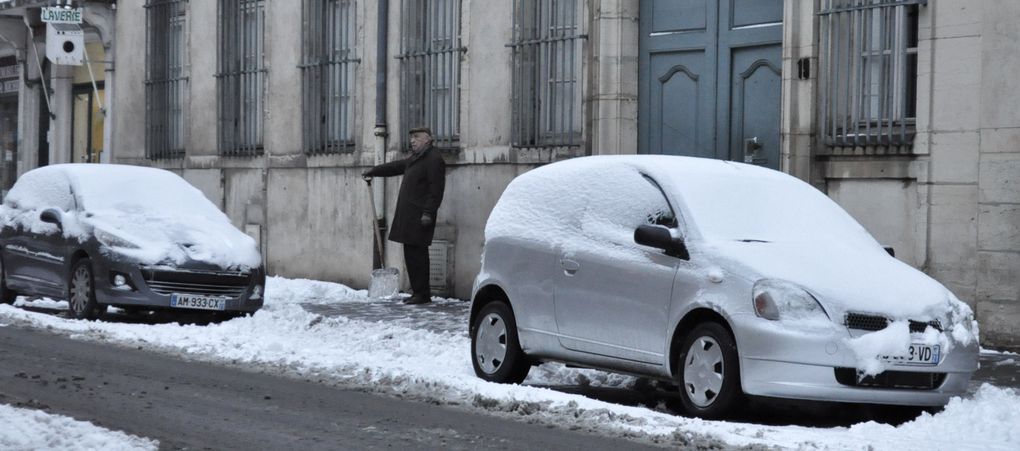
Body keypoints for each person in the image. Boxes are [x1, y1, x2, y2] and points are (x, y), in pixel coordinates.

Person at [362, 127, 446, 305]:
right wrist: (374, 171)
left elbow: (436, 189)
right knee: (411, 255)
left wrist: (428, 213)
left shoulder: (433, 159)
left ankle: (422, 294)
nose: (412, 141)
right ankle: (418, 292)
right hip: (410, 216)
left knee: (419, 256)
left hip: (420, 216)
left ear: (428, 139)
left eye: (416, 137)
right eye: (411, 137)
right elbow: (396, 167)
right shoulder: (416, 158)